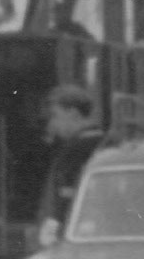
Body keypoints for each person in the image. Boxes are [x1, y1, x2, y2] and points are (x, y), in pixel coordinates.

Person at [36, 84, 104, 247]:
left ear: (73, 114)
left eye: (55, 116)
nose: (52, 124)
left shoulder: (74, 150)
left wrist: (52, 228)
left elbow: (65, 196)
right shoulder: (107, 141)